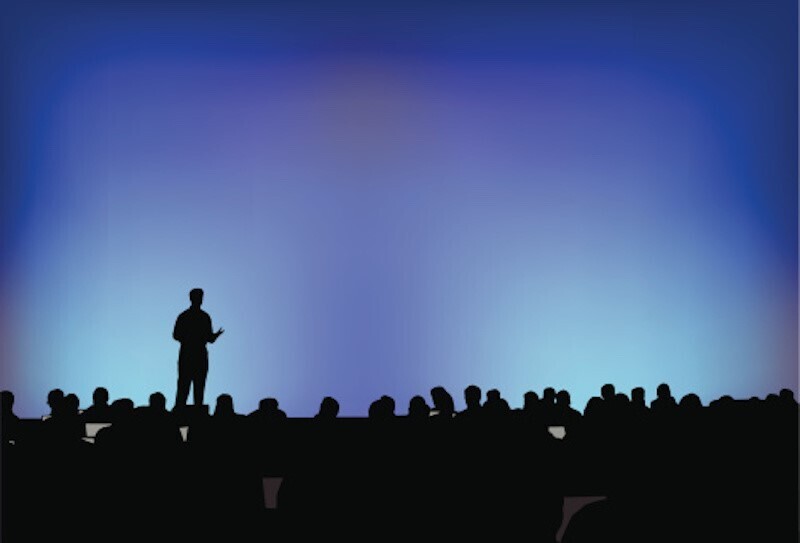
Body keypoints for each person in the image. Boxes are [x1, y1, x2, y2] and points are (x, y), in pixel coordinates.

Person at [173, 288, 224, 408]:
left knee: (199, 384)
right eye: (198, 297)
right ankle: (180, 409)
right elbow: (176, 335)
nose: (200, 300)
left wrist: (215, 335)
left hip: (200, 354)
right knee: (184, 384)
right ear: (191, 298)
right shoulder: (185, 316)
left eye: (201, 297)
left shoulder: (204, 317)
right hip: (187, 353)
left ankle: (197, 409)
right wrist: (191, 337)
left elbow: (209, 338)